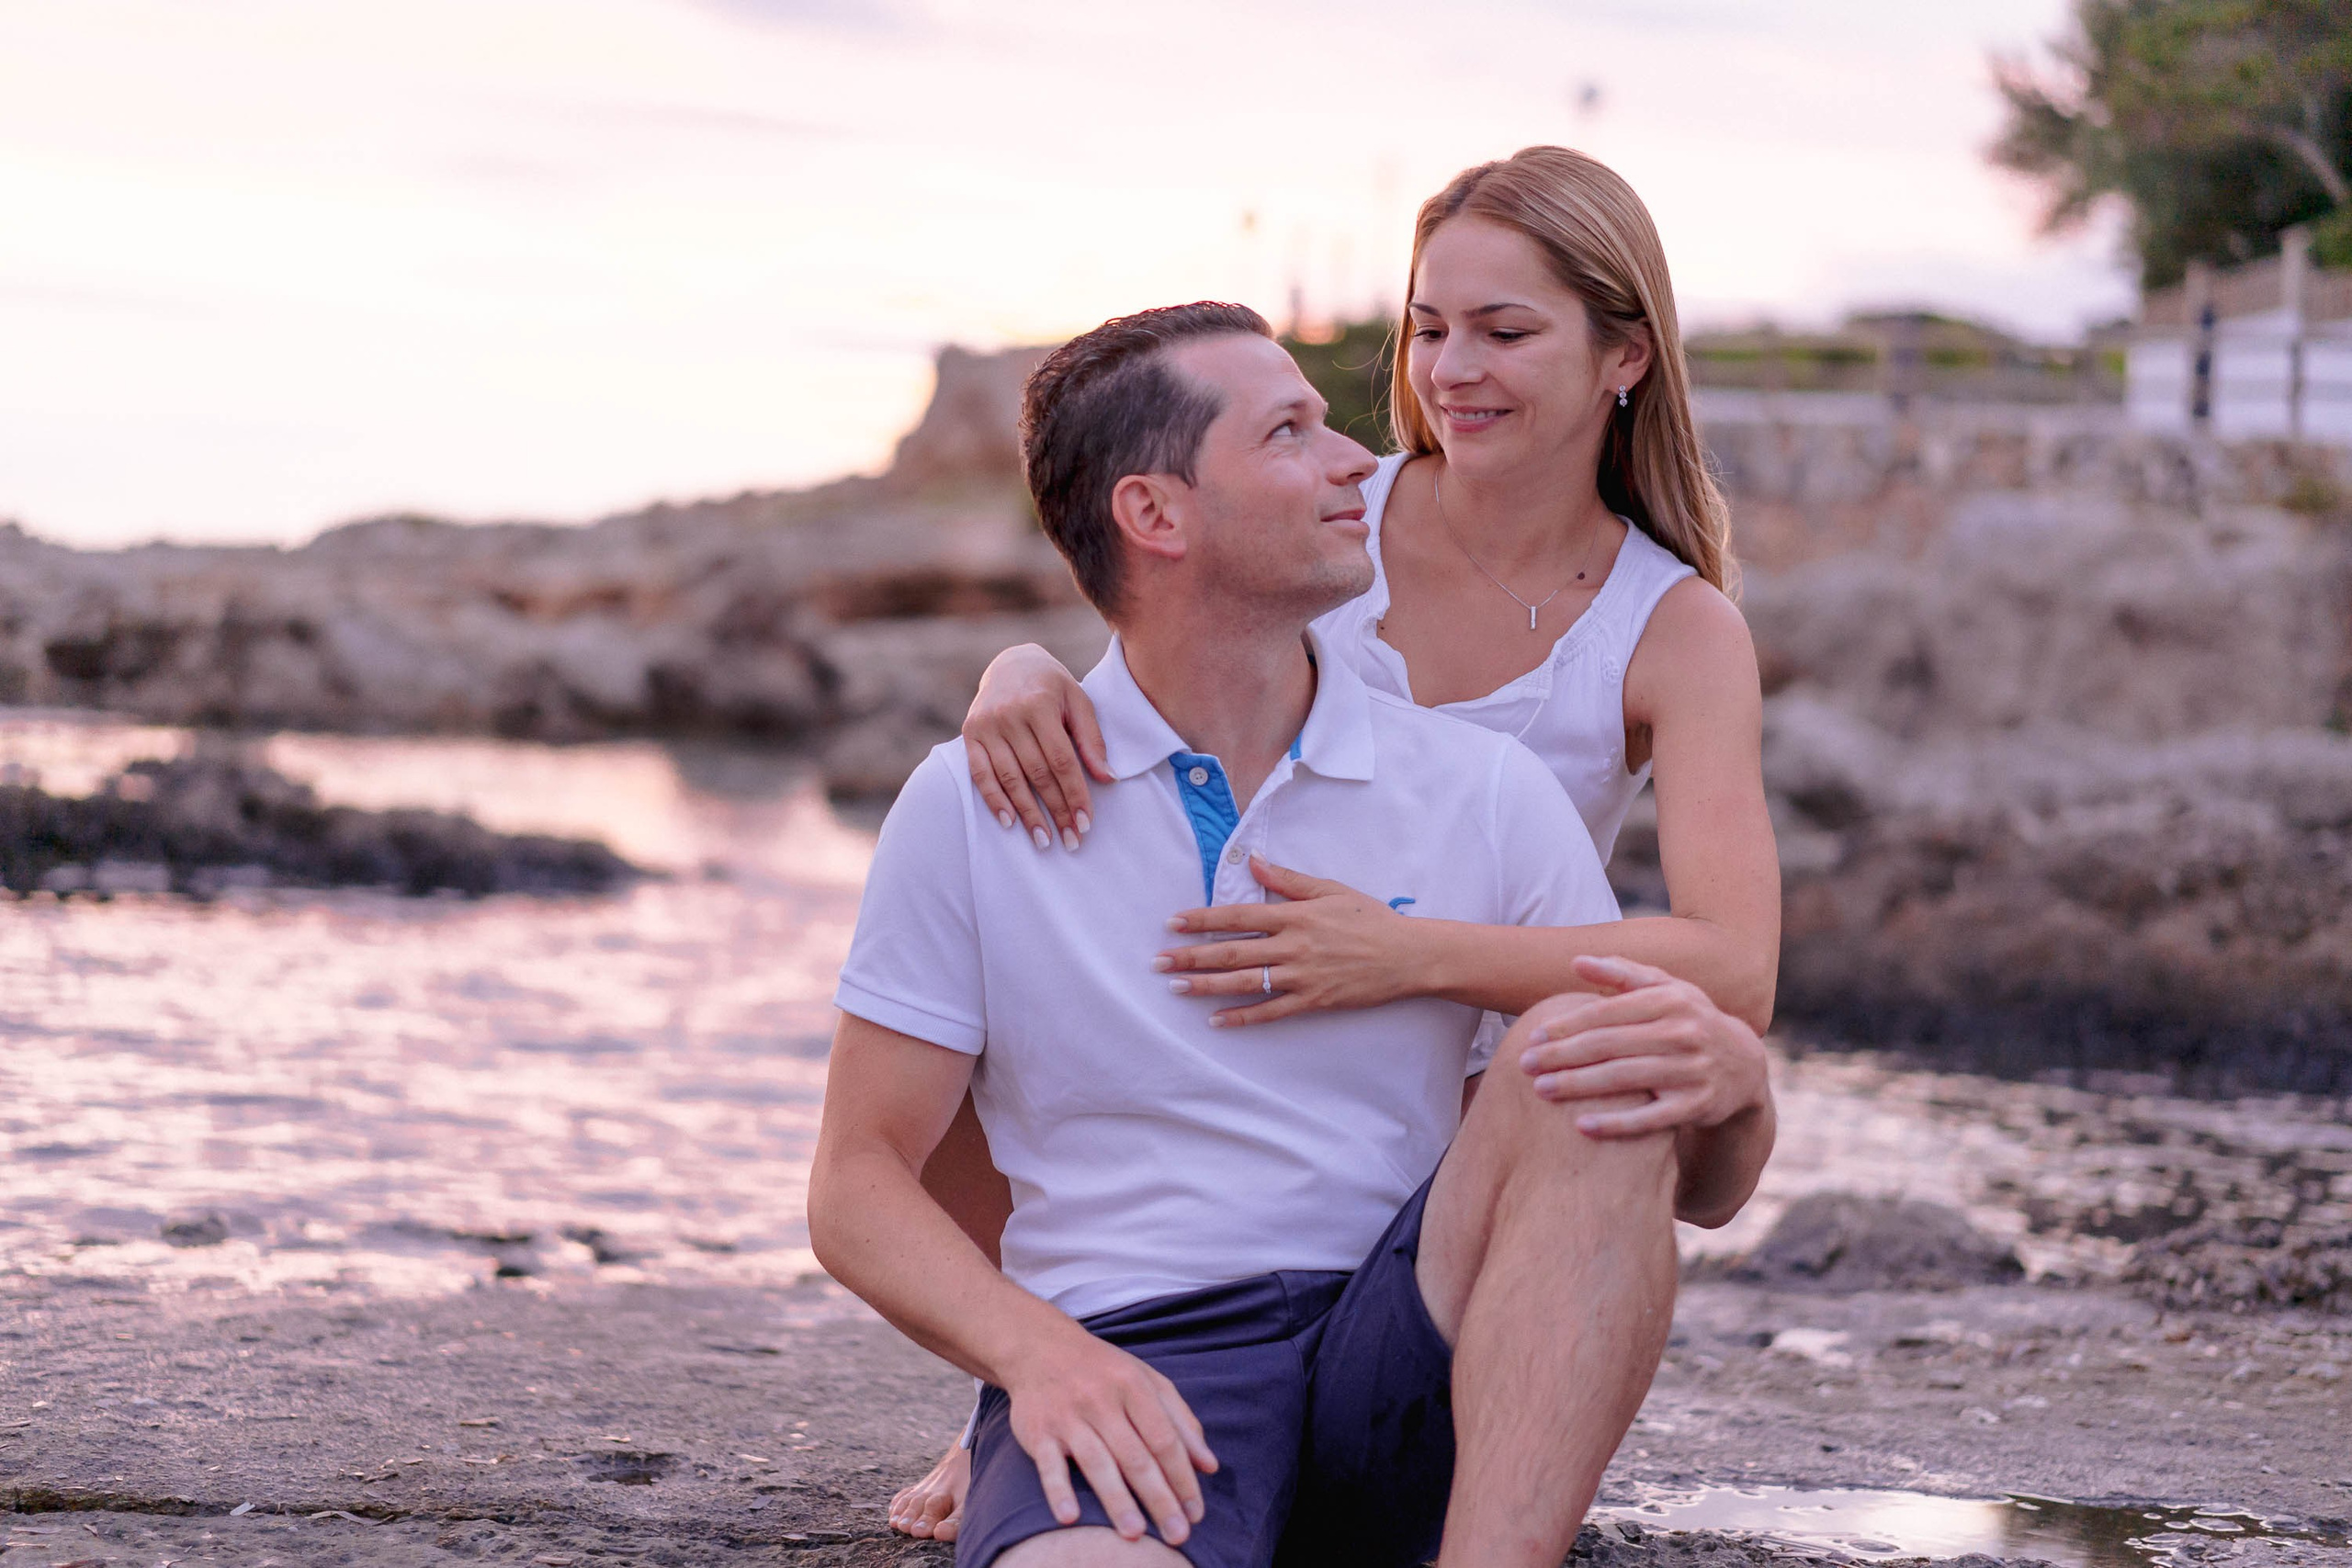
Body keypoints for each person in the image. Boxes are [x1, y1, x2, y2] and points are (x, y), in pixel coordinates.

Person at [893, 144, 1781, 1542]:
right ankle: (1032, 1377)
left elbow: (1731, 961)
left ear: (1625, 358)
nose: (1450, 371)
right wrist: (1016, 672)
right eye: (1428, 328)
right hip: (1252, 1091)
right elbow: (1155, 654)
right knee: (971, 997)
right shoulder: (1328, 525)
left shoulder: (1671, 628)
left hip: (1478, 1102)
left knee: (1599, 1070)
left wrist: (1406, 954)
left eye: (1504, 331)